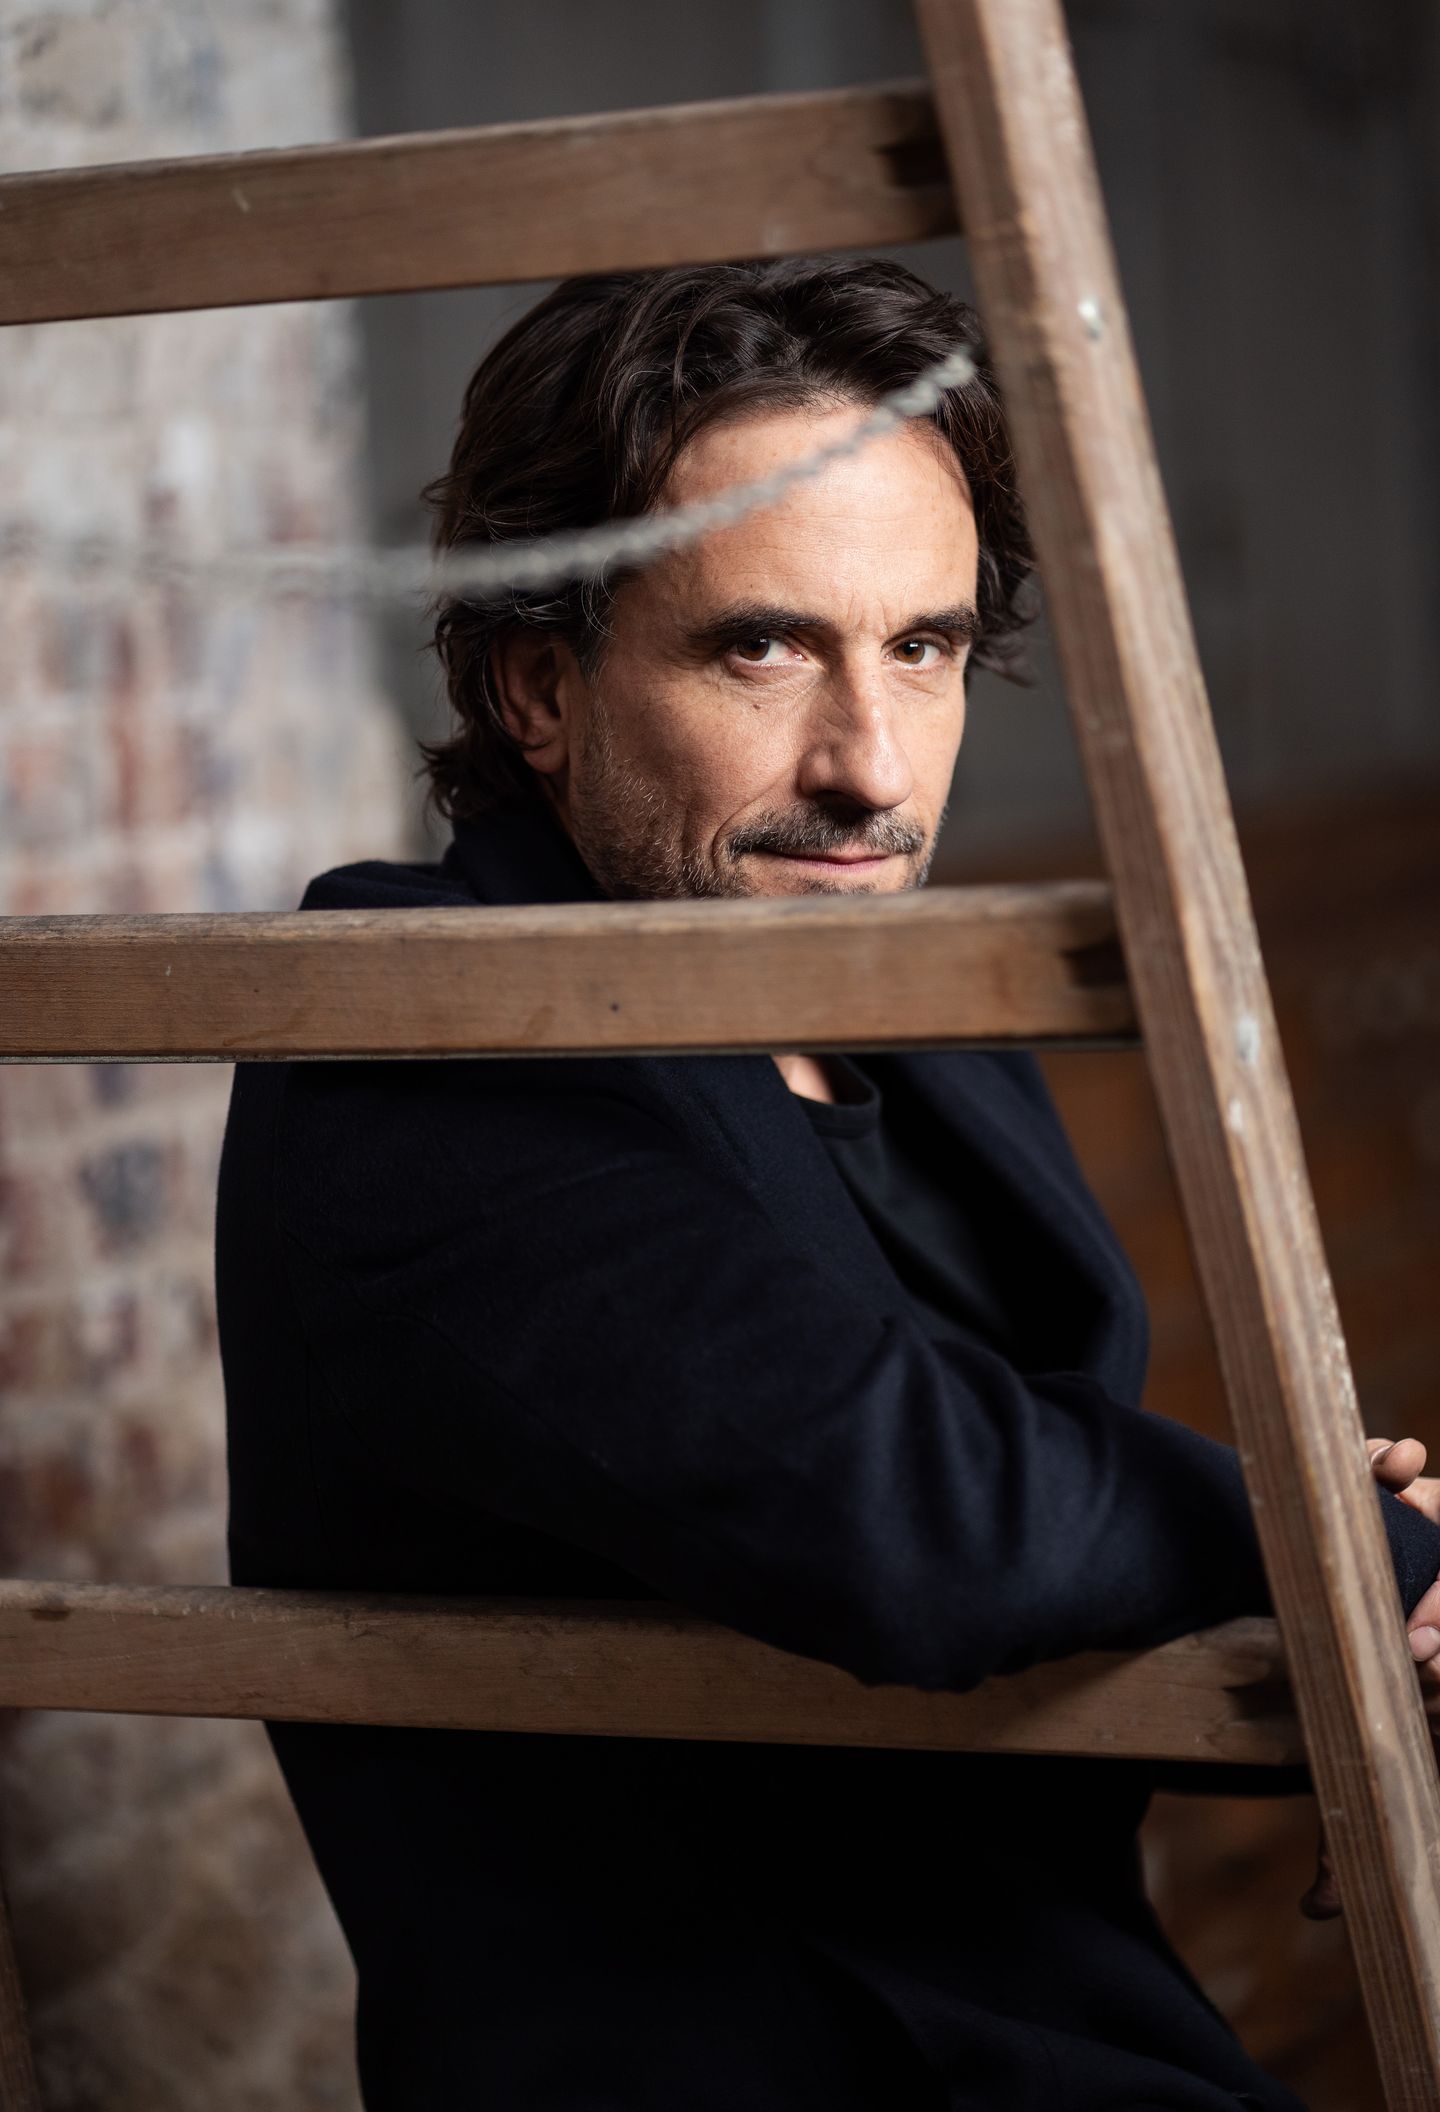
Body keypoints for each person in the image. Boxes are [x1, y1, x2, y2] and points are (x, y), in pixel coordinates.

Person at [215, 257, 1440, 2111]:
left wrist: (1337, 1617)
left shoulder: (912, 1009)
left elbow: (1031, 1498)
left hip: (1073, 2024)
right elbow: (920, 1513)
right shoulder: (424, 1032)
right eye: (763, 648)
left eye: (924, 648)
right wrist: (1335, 1543)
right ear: (540, 685)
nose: (871, 770)